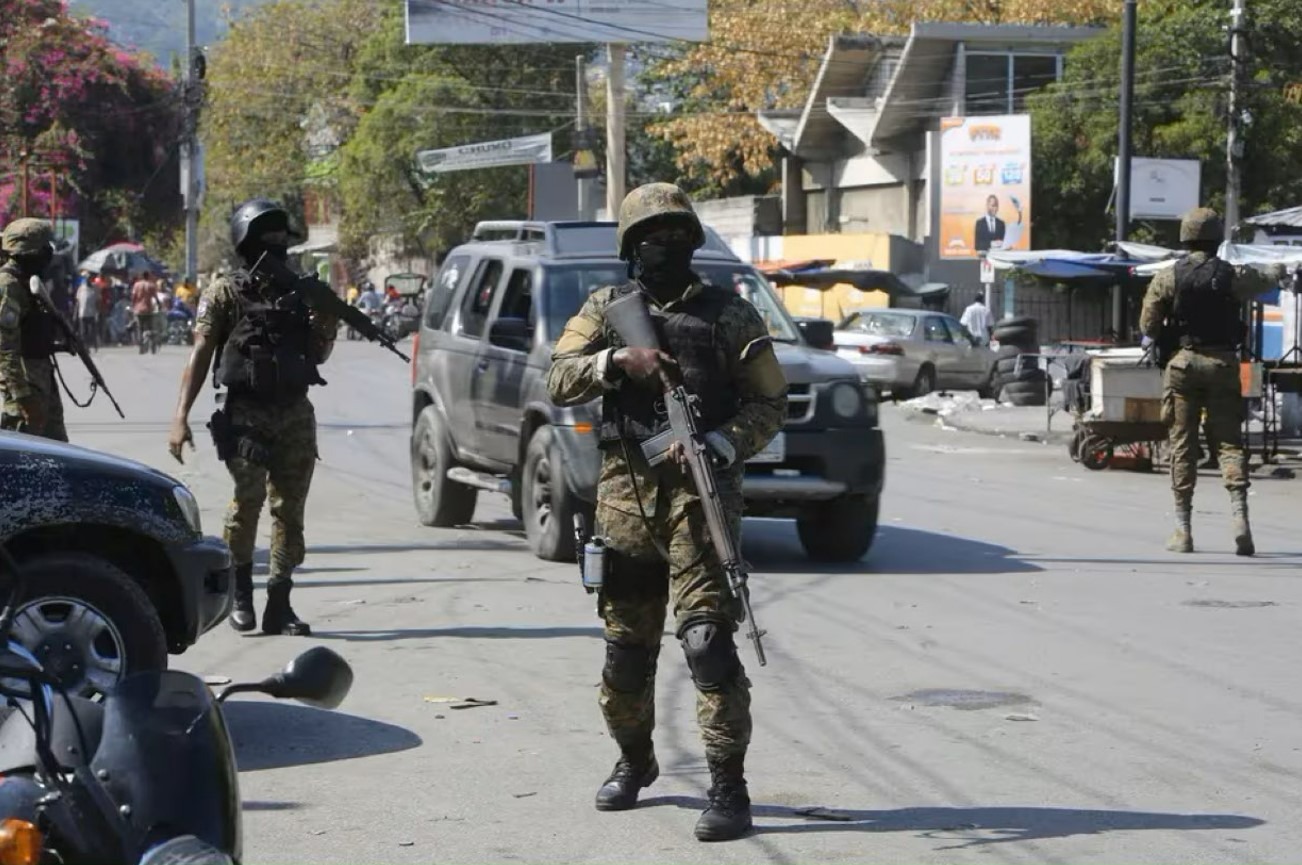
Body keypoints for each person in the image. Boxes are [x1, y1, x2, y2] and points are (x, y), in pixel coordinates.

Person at [546, 183, 788, 842]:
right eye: (653, 236)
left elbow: (771, 404)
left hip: (699, 499)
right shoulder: (605, 309)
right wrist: (615, 360)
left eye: (678, 234)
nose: (667, 246)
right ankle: (634, 759)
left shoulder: (730, 317)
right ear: (631, 247)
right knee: (625, 653)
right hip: (625, 499)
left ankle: (728, 785)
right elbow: (556, 375)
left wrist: (717, 440)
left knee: (708, 643)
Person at [167, 198, 339, 636]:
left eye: (283, 238)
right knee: (247, 502)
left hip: (296, 412)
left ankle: (279, 602)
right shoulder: (225, 292)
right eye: (269, 238)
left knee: (290, 511)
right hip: (246, 413)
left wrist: (326, 316)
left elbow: (318, 354)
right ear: (248, 243)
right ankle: (240, 594)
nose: (278, 245)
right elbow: (201, 352)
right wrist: (180, 415)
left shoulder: (302, 293)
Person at [1140, 207, 1265, 556]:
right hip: (1223, 364)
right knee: (1229, 443)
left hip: (1182, 366)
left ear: (1185, 235)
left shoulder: (1168, 277)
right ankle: (1241, 521)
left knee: (1182, 444)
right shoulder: (1231, 276)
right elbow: (1264, 280)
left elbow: (1148, 326)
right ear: (1217, 236)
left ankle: (1183, 531)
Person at [0, 219, 67, 441]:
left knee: (58, 453)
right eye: (45, 247)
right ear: (29, 252)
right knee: (23, 459)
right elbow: (5, 348)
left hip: (41, 379)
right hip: (25, 387)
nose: (49, 253)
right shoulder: (8, 286)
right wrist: (23, 398)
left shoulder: (28, 283)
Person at [131, 270, 159, 348]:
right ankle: (150, 343)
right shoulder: (151, 285)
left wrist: (133, 305)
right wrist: (159, 305)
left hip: (138, 309)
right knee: (150, 327)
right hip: (148, 309)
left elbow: (133, 297)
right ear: (148, 276)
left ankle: (140, 343)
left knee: (140, 327)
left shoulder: (136, 285)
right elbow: (156, 298)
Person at [75, 271, 100, 352]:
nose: (88, 280)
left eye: (89, 278)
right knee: (83, 332)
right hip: (82, 313)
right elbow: (78, 302)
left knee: (92, 331)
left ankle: (95, 345)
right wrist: (75, 314)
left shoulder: (95, 288)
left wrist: (98, 312)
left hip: (92, 313)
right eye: (86, 278)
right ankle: (86, 347)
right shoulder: (81, 288)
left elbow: (97, 301)